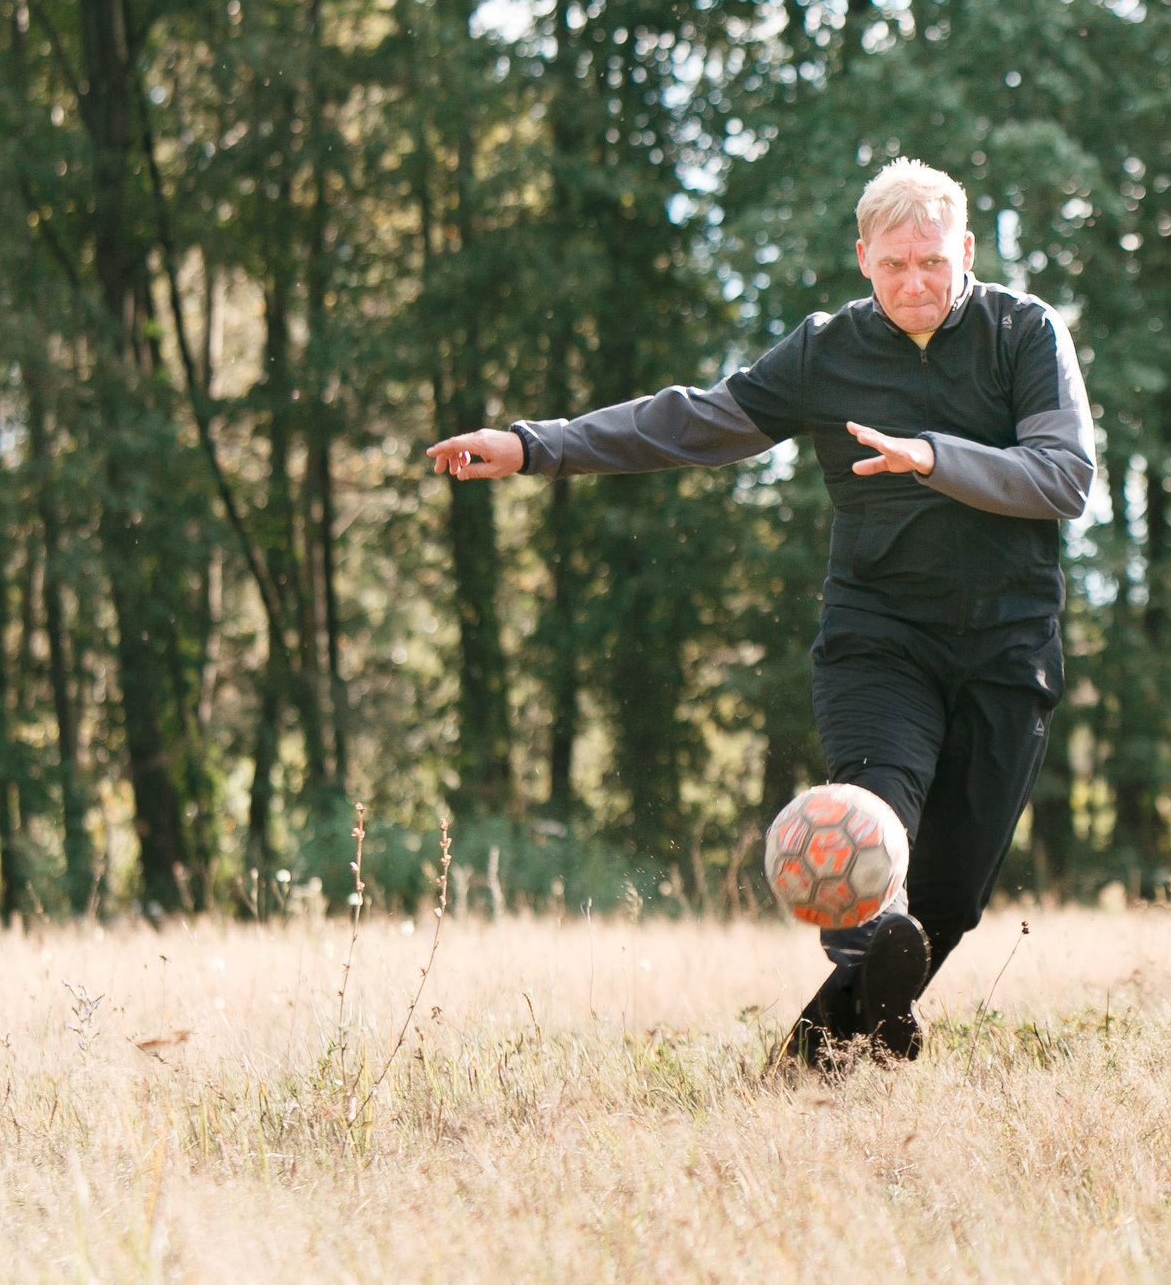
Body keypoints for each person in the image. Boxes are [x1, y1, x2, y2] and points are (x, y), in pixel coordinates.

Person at [426, 159, 1093, 1065]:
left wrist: (931, 457)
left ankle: (817, 1053)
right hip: (880, 642)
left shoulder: (1024, 332)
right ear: (862, 258)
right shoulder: (827, 350)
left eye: (933, 261)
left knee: (950, 899)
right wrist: (533, 445)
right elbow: (693, 421)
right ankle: (856, 996)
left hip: (1009, 647)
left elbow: (1064, 475)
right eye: (894, 264)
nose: (915, 282)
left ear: (966, 251)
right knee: (870, 826)